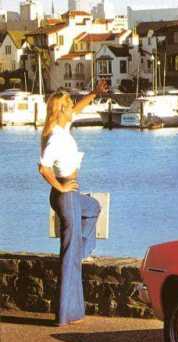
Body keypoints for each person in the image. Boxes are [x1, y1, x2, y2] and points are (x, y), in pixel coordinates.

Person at [38, 81, 109, 326]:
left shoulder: (62, 127)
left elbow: (78, 108)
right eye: (68, 106)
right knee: (69, 256)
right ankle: (64, 315)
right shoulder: (55, 137)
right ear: (61, 110)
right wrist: (61, 187)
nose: (72, 109)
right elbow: (43, 168)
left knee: (94, 207)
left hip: (69, 195)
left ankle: (81, 251)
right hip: (66, 194)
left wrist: (94, 94)